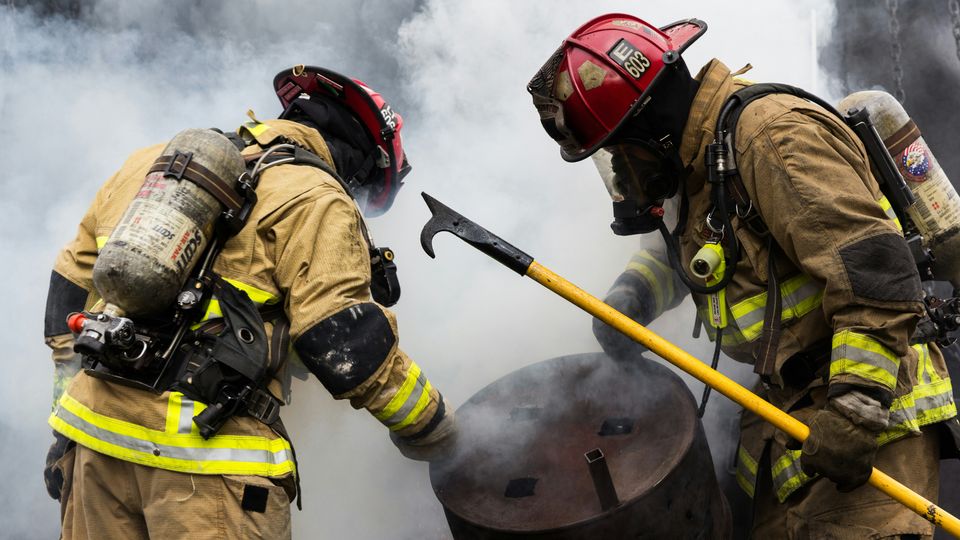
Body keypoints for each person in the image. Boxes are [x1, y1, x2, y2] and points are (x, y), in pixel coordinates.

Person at [527, 14, 958, 538]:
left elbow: (877, 277)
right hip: (792, 419)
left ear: (650, 126)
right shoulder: (704, 160)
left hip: (870, 409)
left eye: (619, 149)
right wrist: (633, 297)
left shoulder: (771, 139)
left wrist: (855, 414)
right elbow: (702, 251)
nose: (621, 169)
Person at [42, 64, 456, 539]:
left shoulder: (152, 163)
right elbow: (344, 344)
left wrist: (61, 430)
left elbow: (67, 301)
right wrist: (438, 430)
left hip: (92, 446)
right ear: (364, 165)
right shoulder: (316, 196)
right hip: (208, 469)